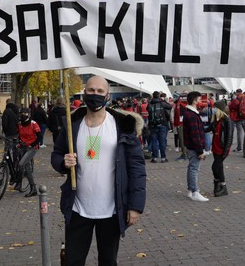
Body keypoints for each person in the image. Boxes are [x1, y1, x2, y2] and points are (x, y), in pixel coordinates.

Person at [51, 75, 146, 266]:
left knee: (108, 261)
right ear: (84, 92)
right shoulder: (72, 125)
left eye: (100, 91)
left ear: (107, 95)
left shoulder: (122, 126)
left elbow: (136, 167)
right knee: (72, 261)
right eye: (91, 90)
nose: (95, 94)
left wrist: (135, 206)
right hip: (78, 208)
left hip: (111, 210)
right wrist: (63, 162)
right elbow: (57, 154)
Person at [182, 91, 209, 202]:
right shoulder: (192, 115)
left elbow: (197, 131)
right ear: (194, 100)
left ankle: (191, 190)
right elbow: (195, 134)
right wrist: (200, 150)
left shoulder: (190, 113)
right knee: (194, 168)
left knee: (191, 168)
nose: (200, 101)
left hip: (191, 146)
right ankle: (195, 191)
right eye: (199, 99)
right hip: (194, 147)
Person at [206, 100, 232, 197]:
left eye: (215, 108)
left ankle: (221, 185)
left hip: (222, 148)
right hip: (215, 147)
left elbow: (229, 137)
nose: (213, 110)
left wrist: (226, 150)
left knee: (215, 167)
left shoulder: (227, 120)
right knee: (219, 167)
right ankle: (219, 186)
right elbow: (208, 129)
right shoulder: (217, 120)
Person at [16, 107, 41, 197]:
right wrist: (19, 142)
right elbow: (19, 135)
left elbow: (39, 137)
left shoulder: (33, 124)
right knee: (26, 167)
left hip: (32, 148)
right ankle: (21, 184)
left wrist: (32, 144)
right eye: (21, 113)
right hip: (23, 146)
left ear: (28, 114)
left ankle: (31, 187)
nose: (22, 115)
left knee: (21, 164)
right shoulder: (19, 124)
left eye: (25, 113)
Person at [147, 91, 171, 163]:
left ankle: (154, 158)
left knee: (154, 141)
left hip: (153, 125)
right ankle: (163, 158)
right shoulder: (162, 103)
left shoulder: (150, 104)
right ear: (159, 96)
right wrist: (164, 100)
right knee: (162, 141)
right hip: (162, 124)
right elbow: (169, 106)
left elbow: (147, 109)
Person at [228, 89, 245, 153]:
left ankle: (239, 147)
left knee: (239, 133)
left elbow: (231, 107)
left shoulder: (236, 100)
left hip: (238, 118)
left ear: (237, 92)